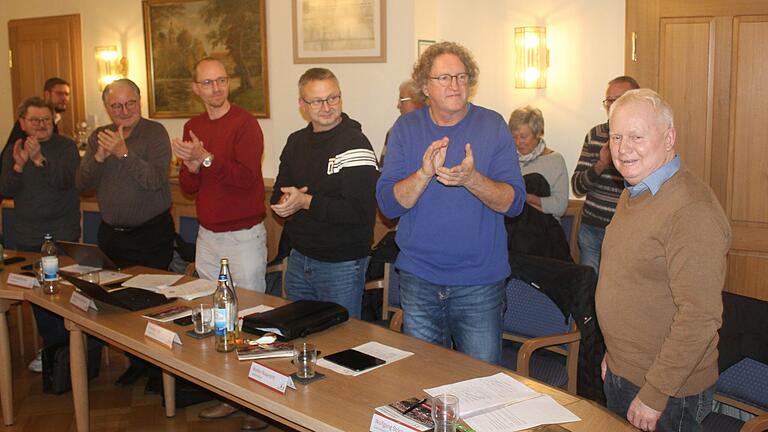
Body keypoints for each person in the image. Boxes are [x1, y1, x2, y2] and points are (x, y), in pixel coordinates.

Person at [376, 41, 526, 364]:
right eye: (443, 78)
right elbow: (388, 206)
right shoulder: (405, 129)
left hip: (480, 284)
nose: (454, 85)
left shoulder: (493, 126)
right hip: (419, 281)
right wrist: (424, 173)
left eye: (461, 76)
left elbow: (514, 203)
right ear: (424, 86)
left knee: (480, 386)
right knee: (422, 384)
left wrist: (472, 180)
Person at [596, 89, 731, 432]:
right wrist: (615, 356)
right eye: (616, 137)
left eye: (637, 137)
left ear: (669, 137)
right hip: (624, 373)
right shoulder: (636, 191)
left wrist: (655, 393)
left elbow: (699, 317)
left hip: (667, 393)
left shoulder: (691, 209)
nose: (624, 149)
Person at [75, 78, 175, 387]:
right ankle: (136, 362)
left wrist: (122, 153)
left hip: (150, 234)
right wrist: (99, 157)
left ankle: (159, 370)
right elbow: (81, 184)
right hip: (112, 235)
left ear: (140, 101)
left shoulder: (154, 133)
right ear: (107, 107)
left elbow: (155, 180)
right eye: (116, 105)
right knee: (117, 305)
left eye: (130, 103)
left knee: (150, 304)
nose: (124, 110)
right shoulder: (98, 137)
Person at [271, 67, 378, 319]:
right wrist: (286, 203)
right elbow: (278, 193)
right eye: (317, 101)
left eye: (333, 98)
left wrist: (306, 201)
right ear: (302, 105)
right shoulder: (295, 142)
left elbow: (360, 211)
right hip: (299, 259)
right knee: (300, 334)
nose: (327, 107)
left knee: (341, 341)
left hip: (342, 264)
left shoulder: (355, 143)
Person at [172, 57, 267, 292]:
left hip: (243, 237)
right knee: (210, 304)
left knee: (249, 308)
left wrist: (205, 157)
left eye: (221, 80)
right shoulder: (192, 127)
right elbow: (188, 187)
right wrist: (193, 168)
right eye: (207, 82)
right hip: (207, 235)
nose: (216, 88)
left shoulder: (246, 123)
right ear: (196, 88)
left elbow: (246, 178)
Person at [0, 97, 80, 372]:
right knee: (38, 296)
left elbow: (67, 182)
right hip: (28, 237)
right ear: (22, 123)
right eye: (35, 120)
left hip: (62, 234)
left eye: (47, 120)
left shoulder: (66, 146)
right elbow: (5, 189)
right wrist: (20, 165)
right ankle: (52, 350)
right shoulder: (14, 149)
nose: (42, 125)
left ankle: (70, 350)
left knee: (64, 294)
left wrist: (39, 159)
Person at [571, 76, 639, 273]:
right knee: (589, 292)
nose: (612, 105)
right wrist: (601, 164)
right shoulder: (595, 135)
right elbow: (577, 187)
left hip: (627, 231)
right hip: (592, 228)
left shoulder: (643, 138)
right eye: (609, 100)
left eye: (619, 99)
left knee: (620, 293)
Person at [1, 77, 71, 180]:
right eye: (60, 94)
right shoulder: (26, 125)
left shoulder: (67, 145)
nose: (64, 98)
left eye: (67, 94)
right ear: (47, 94)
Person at [508, 106, 568, 219]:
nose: (518, 142)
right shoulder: (506, 159)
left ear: (538, 134)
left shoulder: (555, 161)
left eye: (523, 136)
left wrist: (525, 197)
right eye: (513, 136)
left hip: (543, 231)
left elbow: (560, 207)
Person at [380, 79, 426, 166]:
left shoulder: (435, 130)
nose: (398, 106)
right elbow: (383, 170)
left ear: (419, 101)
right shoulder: (395, 132)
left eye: (402, 100)